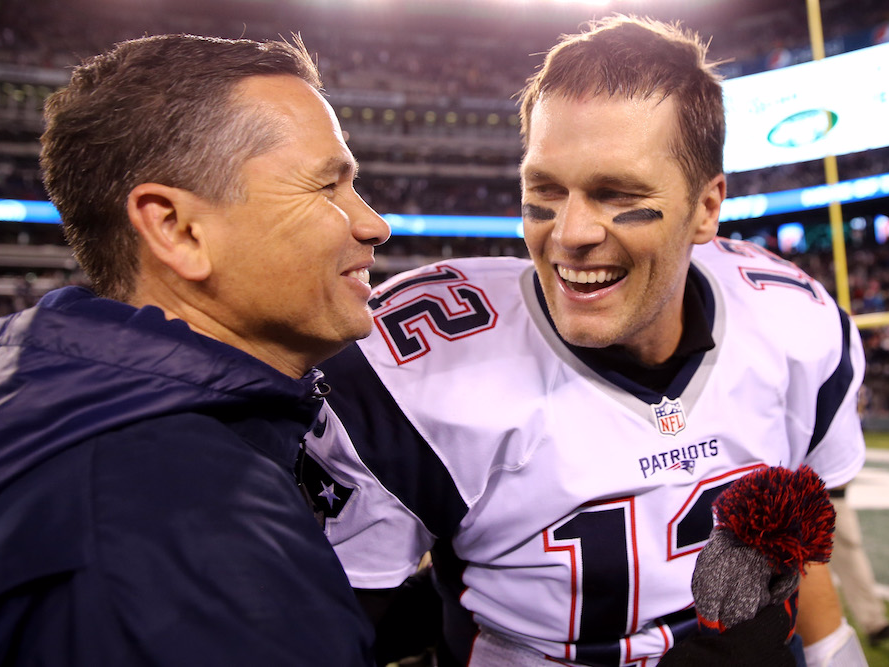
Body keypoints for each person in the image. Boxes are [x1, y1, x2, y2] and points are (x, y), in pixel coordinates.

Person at [303, 15, 868, 666]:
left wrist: (832, 650)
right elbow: (327, 625)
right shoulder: (419, 367)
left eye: (616, 193)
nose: (567, 232)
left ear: (706, 208)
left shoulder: (791, 321)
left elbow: (795, 528)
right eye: (543, 190)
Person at [0, 34, 389, 665]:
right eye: (327, 188)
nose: (374, 223)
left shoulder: (68, 394)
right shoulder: (190, 527)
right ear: (177, 229)